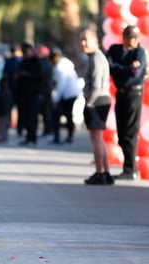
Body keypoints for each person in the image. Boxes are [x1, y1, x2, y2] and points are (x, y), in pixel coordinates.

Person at [106, 25, 146, 180]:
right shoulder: (115, 50)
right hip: (121, 93)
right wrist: (126, 69)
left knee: (130, 132)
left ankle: (130, 169)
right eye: (132, 37)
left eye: (136, 37)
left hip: (133, 94)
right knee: (122, 133)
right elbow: (109, 67)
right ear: (125, 37)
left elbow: (136, 74)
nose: (135, 40)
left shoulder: (139, 52)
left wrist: (118, 68)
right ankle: (129, 167)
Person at [80, 29, 114, 185]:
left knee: (96, 139)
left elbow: (97, 84)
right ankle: (106, 172)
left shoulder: (97, 58)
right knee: (99, 138)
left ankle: (100, 173)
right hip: (99, 99)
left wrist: (89, 102)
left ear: (96, 41)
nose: (83, 43)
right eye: (81, 40)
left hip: (97, 100)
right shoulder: (93, 57)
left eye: (86, 40)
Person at [49, 48, 81, 144]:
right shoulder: (66, 63)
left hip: (67, 94)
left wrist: (56, 99)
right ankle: (69, 136)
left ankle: (58, 137)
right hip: (72, 93)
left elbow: (61, 84)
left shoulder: (60, 67)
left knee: (59, 115)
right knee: (68, 115)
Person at [14, 42, 42, 145]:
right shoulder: (23, 62)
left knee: (32, 117)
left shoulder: (36, 62)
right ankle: (28, 136)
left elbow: (40, 76)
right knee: (24, 116)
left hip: (34, 94)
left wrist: (27, 74)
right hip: (23, 94)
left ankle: (32, 137)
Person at [2, 44, 23, 135]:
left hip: (18, 89)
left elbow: (5, 75)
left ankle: (17, 126)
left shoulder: (14, 61)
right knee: (13, 108)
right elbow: (5, 75)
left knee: (16, 108)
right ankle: (16, 126)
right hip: (14, 89)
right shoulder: (18, 61)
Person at [36, 45, 53, 137]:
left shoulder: (43, 64)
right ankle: (47, 129)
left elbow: (42, 78)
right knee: (45, 112)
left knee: (46, 112)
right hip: (46, 90)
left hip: (45, 91)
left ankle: (48, 130)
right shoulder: (46, 63)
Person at [0, 76, 12, 143]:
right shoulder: (7, 92)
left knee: (1, 126)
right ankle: (3, 137)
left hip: (1, 112)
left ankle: (2, 137)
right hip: (4, 112)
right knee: (3, 126)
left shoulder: (0, 92)